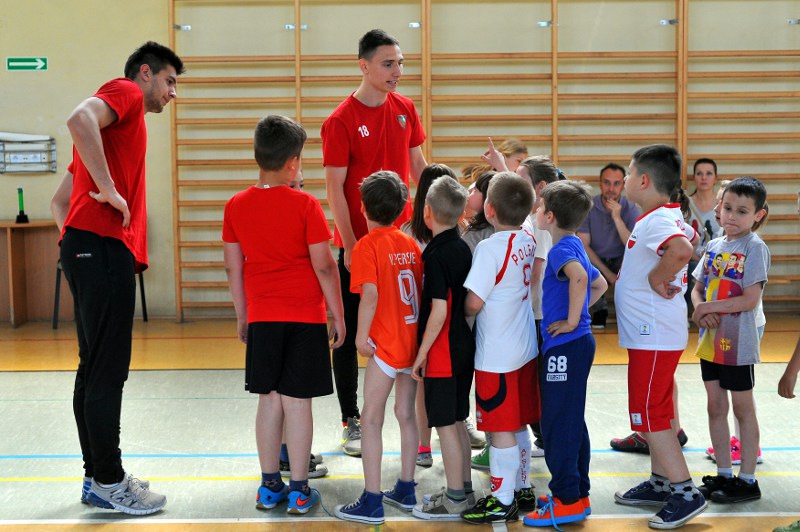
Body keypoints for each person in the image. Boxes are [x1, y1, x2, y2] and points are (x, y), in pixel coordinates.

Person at [49, 41, 183, 516]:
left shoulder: (115, 134)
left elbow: (60, 201)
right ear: (145, 73)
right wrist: (108, 191)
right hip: (102, 248)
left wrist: (75, 240)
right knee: (106, 370)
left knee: (92, 368)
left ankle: (97, 477)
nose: (173, 93)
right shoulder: (125, 91)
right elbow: (78, 118)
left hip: (87, 247)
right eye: (169, 81)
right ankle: (109, 480)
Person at [222, 116, 345, 515]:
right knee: (297, 403)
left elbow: (233, 267)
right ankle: (300, 490)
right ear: (293, 164)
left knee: (269, 400)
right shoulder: (305, 205)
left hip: (262, 316)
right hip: (304, 318)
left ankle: (269, 486)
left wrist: (243, 315)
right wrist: (338, 313)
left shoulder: (236, 205)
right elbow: (324, 265)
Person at [322, 29, 427, 457]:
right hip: (361, 246)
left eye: (400, 62)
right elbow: (334, 188)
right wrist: (351, 246)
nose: (397, 71)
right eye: (388, 63)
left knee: (413, 326)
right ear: (363, 66)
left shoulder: (406, 109)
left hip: (403, 243)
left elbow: (419, 167)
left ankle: (430, 421)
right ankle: (351, 419)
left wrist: (441, 218)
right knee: (349, 332)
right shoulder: (340, 120)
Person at [613, 145, 707, 529]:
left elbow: (683, 248)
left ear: (643, 180)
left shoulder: (657, 221)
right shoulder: (661, 216)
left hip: (652, 335)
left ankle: (685, 492)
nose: (625, 180)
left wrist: (656, 278)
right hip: (651, 335)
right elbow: (691, 237)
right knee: (658, 410)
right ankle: (660, 482)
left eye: (628, 173)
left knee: (649, 413)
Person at [333, 171, 424, 525]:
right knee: (406, 414)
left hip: (385, 345)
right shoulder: (410, 243)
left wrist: (360, 337)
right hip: (411, 342)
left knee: (371, 418)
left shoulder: (366, 246)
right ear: (402, 210)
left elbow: (369, 295)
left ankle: (372, 500)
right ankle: (406, 487)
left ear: (362, 208)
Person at [523, 180, 607, 527]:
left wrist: (573, 320)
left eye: (540, 207)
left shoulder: (560, 251)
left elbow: (580, 279)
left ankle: (566, 499)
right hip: (577, 344)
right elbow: (599, 283)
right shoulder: (573, 244)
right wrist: (580, 316)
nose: (536, 211)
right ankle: (577, 494)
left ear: (550, 216)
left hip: (566, 348)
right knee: (571, 420)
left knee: (557, 423)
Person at [460, 172, 538, 524]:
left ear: (488, 209)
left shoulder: (489, 248)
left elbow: (474, 303)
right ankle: (522, 487)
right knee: (518, 423)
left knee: (500, 428)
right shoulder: (528, 237)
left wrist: (461, 310)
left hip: (498, 355)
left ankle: (502, 499)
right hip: (525, 349)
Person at [690, 177, 770, 504]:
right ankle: (723, 473)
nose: (732, 216)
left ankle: (747, 479)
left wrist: (709, 308)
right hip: (710, 340)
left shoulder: (754, 248)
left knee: (741, 407)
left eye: (742, 211)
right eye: (727, 208)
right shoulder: (713, 246)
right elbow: (697, 289)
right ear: (719, 208)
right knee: (715, 405)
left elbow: (750, 299)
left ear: (758, 215)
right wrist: (700, 310)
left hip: (739, 343)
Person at [409, 176, 476, 520]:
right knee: (457, 420)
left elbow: (439, 310)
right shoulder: (462, 247)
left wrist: (421, 354)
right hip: (462, 344)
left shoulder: (436, 255)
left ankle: (454, 498)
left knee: (446, 425)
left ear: (427, 212)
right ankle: (463, 489)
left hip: (443, 351)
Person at [401, 163, 459, 469]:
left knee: (429, 384)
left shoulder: (411, 233)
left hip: (429, 319)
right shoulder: (409, 233)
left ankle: (430, 443)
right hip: (439, 320)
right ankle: (428, 443)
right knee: (430, 383)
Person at [577, 163, 640, 329]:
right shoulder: (588, 207)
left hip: (621, 259)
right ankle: (599, 310)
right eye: (607, 183)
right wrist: (609, 275)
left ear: (623, 185)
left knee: (638, 263)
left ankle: (629, 312)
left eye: (616, 183)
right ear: (600, 184)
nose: (611, 189)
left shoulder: (631, 208)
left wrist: (617, 218)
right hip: (596, 258)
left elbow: (632, 245)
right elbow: (584, 245)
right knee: (580, 262)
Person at [462, 138, 528, 176]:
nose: (522, 165)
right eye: (519, 161)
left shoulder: (520, 178)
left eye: (524, 161)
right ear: (503, 157)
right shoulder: (490, 179)